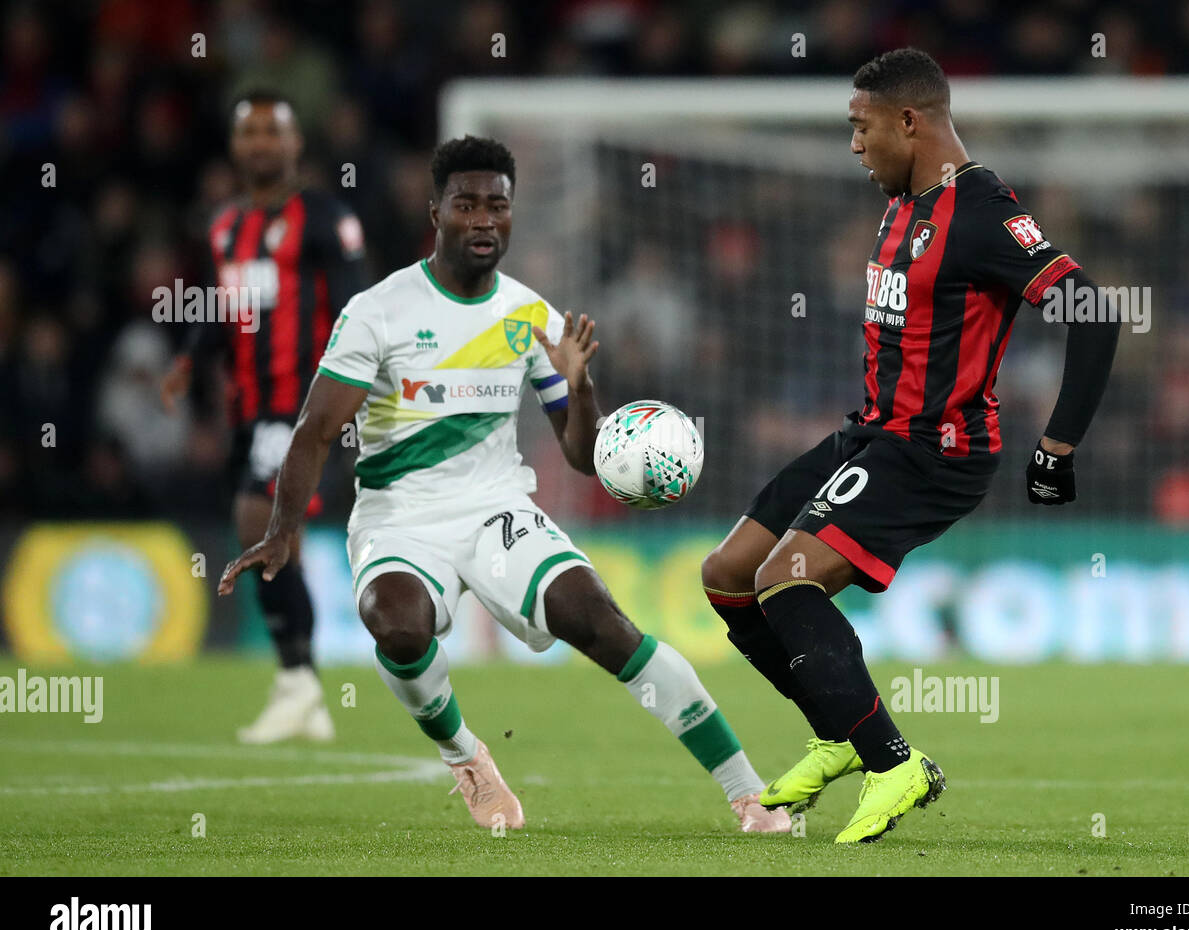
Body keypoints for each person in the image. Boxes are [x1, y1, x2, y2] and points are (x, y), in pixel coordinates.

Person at [218, 135, 789, 834]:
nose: (484, 219)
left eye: (498, 205)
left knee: (602, 623)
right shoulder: (378, 310)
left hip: (496, 511)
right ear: (436, 212)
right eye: (467, 204)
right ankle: (468, 759)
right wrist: (283, 529)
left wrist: (580, 390)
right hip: (399, 517)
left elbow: (583, 456)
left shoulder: (531, 316)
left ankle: (749, 792)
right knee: (395, 624)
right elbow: (313, 430)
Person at [700, 48, 1121, 843]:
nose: (853, 146)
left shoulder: (983, 210)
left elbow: (1094, 311)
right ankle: (838, 735)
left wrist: (1057, 447)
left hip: (936, 450)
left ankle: (893, 762)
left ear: (909, 121)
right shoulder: (901, 199)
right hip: (869, 434)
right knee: (727, 577)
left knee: (787, 581)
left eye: (860, 128)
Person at [162, 90, 367, 743]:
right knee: (277, 535)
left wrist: (356, 401)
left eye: (270, 132)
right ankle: (301, 686)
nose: (259, 144)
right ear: (234, 145)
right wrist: (191, 359)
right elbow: (229, 310)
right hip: (248, 410)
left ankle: (297, 680)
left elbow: (357, 312)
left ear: (294, 143)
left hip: (304, 408)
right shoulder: (224, 225)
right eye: (248, 132)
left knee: (258, 516)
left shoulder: (326, 218)